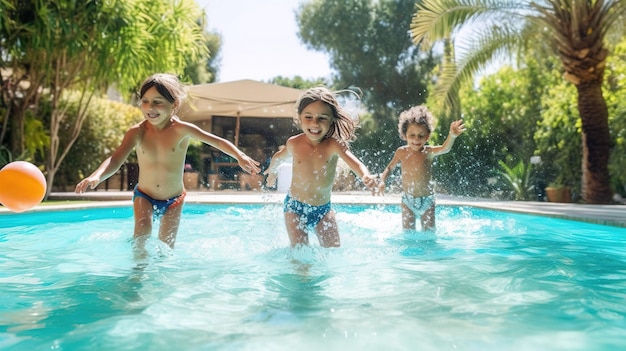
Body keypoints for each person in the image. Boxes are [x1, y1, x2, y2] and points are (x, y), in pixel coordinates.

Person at [75, 73, 261, 252]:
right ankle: (137, 274)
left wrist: (239, 156)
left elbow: (217, 141)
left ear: (174, 105)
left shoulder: (182, 130)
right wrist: (96, 176)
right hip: (145, 195)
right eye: (145, 101)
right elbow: (116, 159)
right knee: (142, 232)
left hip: (174, 199)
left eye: (157, 102)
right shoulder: (137, 132)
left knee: (166, 247)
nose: (150, 107)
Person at [264, 87, 376, 248]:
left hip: (323, 210)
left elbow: (355, 163)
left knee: (334, 250)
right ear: (299, 118)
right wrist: (272, 173)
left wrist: (365, 175)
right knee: (300, 253)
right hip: (294, 207)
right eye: (308, 117)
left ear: (331, 120)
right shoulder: (294, 143)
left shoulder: (334, 145)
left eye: (322, 118)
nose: (314, 123)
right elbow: (278, 157)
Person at [377, 105, 465, 231]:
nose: (416, 139)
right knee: (408, 233)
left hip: (427, 201)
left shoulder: (428, 152)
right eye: (412, 135)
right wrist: (382, 181)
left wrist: (452, 135)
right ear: (404, 135)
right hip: (407, 201)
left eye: (421, 135)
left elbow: (445, 148)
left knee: (428, 233)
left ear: (428, 136)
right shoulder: (401, 152)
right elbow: (389, 168)